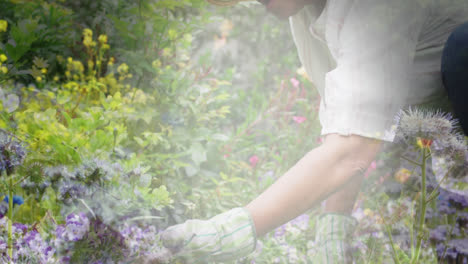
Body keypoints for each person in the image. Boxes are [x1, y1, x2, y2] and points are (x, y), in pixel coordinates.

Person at [158, 0, 468, 263]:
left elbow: (353, 147)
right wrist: (333, 228)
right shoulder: (306, 12)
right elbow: (348, 119)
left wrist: (234, 230)